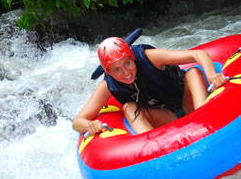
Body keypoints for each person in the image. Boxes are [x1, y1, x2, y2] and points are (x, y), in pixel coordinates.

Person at [72, 37, 226, 135]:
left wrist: (212, 75)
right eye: (116, 69)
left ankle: (205, 119)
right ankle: (153, 147)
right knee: (129, 107)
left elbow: (198, 54)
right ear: (109, 72)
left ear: (132, 58)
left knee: (193, 72)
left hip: (188, 103)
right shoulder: (107, 86)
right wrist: (90, 125)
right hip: (167, 118)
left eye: (127, 63)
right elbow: (77, 122)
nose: (126, 73)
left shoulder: (149, 57)